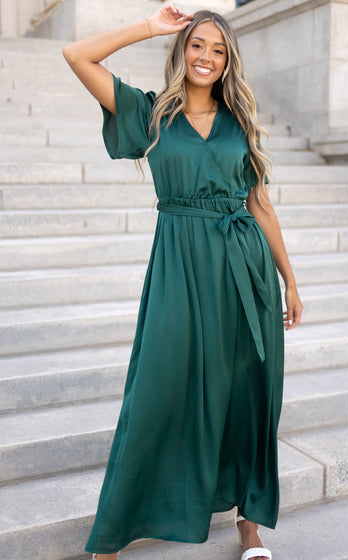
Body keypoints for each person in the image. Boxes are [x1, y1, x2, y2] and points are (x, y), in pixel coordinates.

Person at [63, 5, 303, 560]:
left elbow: (260, 206)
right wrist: (149, 26)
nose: (207, 57)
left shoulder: (239, 121)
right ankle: (112, 535)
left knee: (248, 396)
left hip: (245, 274)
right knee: (154, 393)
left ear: (228, 62)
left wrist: (289, 280)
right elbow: (77, 55)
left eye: (219, 50)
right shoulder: (150, 113)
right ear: (182, 49)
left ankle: (249, 525)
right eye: (199, 45)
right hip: (179, 269)